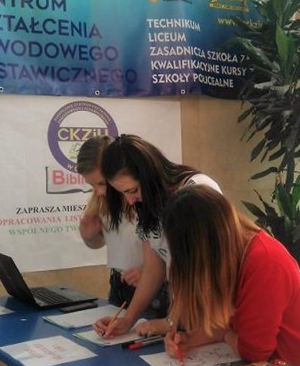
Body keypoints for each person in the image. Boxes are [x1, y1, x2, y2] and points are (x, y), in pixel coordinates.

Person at [162, 185, 300, 366]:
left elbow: (254, 352)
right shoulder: (235, 254)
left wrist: (225, 334)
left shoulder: (265, 261)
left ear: (201, 250)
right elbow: (229, 323)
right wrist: (190, 339)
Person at [77, 136, 169, 366]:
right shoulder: (106, 198)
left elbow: (164, 253)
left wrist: (150, 271)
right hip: (119, 286)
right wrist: (88, 233)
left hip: (153, 289)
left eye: (103, 183)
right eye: (94, 186)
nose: (101, 191)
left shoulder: (142, 196)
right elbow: (98, 241)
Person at [92, 134, 221, 339]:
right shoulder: (147, 202)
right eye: (123, 193)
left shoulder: (196, 191)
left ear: (148, 175)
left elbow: (200, 268)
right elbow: (153, 267)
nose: (130, 200)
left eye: (133, 190)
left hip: (211, 312)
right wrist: (128, 320)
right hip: (184, 310)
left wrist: (171, 321)